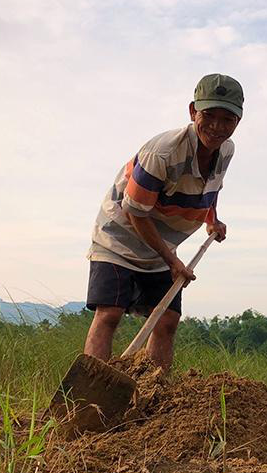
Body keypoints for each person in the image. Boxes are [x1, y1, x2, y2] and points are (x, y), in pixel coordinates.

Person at [83, 74, 243, 370]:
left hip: (161, 247)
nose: (217, 127)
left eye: (228, 119)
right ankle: (89, 396)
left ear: (238, 120)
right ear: (193, 111)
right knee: (110, 313)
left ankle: (157, 400)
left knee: (167, 319)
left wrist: (213, 219)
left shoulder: (227, 150)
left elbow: (211, 186)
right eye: (209, 116)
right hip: (118, 236)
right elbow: (136, 213)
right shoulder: (163, 152)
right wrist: (172, 261)